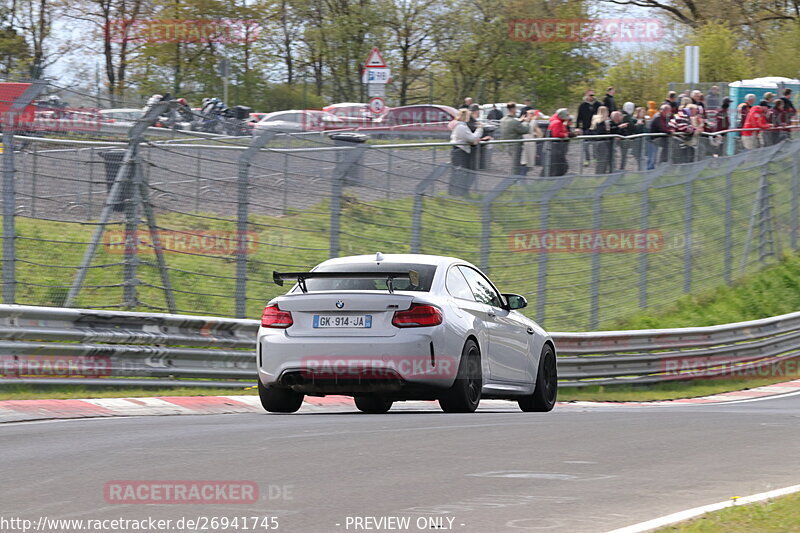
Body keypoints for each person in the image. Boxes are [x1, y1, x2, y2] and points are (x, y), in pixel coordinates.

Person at [449, 108, 484, 195]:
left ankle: (457, 192)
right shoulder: (461, 127)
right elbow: (471, 138)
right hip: (460, 151)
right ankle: (457, 193)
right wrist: (480, 129)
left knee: (459, 173)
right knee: (460, 173)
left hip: (460, 150)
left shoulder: (460, 126)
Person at [499, 102, 530, 175]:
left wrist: (519, 121)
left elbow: (513, 126)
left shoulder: (503, 119)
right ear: (513, 109)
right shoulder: (514, 122)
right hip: (515, 146)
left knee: (512, 166)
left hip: (506, 146)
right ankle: (515, 182)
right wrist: (526, 122)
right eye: (515, 108)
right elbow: (525, 130)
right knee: (516, 167)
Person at [545, 108, 577, 176]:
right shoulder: (557, 122)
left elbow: (561, 132)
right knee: (560, 167)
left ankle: (553, 180)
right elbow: (556, 134)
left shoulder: (558, 122)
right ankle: (555, 181)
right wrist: (567, 134)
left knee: (559, 166)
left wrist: (569, 134)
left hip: (556, 148)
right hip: (555, 148)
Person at [647, 104, 673, 169]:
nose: (669, 112)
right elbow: (662, 128)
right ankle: (649, 173)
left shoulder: (666, 118)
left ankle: (657, 171)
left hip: (659, 141)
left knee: (657, 157)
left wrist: (671, 129)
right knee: (652, 158)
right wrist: (670, 131)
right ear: (664, 111)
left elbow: (669, 125)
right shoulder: (657, 117)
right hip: (653, 141)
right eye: (668, 111)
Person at [577, 90, 600, 165]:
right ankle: (587, 159)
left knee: (595, 144)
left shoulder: (598, 104)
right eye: (590, 95)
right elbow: (579, 117)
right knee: (586, 144)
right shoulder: (582, 105)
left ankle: (595, 158)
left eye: (593, 95)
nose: (592, 97)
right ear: (586, 95)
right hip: (585, 127)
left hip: (595, 128)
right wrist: (577, 127)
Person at [590, 106, 613, 173]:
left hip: (599, 143)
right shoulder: (600, 122)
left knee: (602, 159)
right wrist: (607, 128)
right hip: (601, 143)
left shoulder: (596, 121)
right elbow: (601, 132)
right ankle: (600, 174)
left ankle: (601, 173)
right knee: (602, 160)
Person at [619, 102, 636, 169]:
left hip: (626, 137)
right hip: (625, 138)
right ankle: (622, 168)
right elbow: (632, 126)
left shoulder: (625, 115)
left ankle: (622, 168)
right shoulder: (626, 116)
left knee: (624, 155)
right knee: (623, 155)